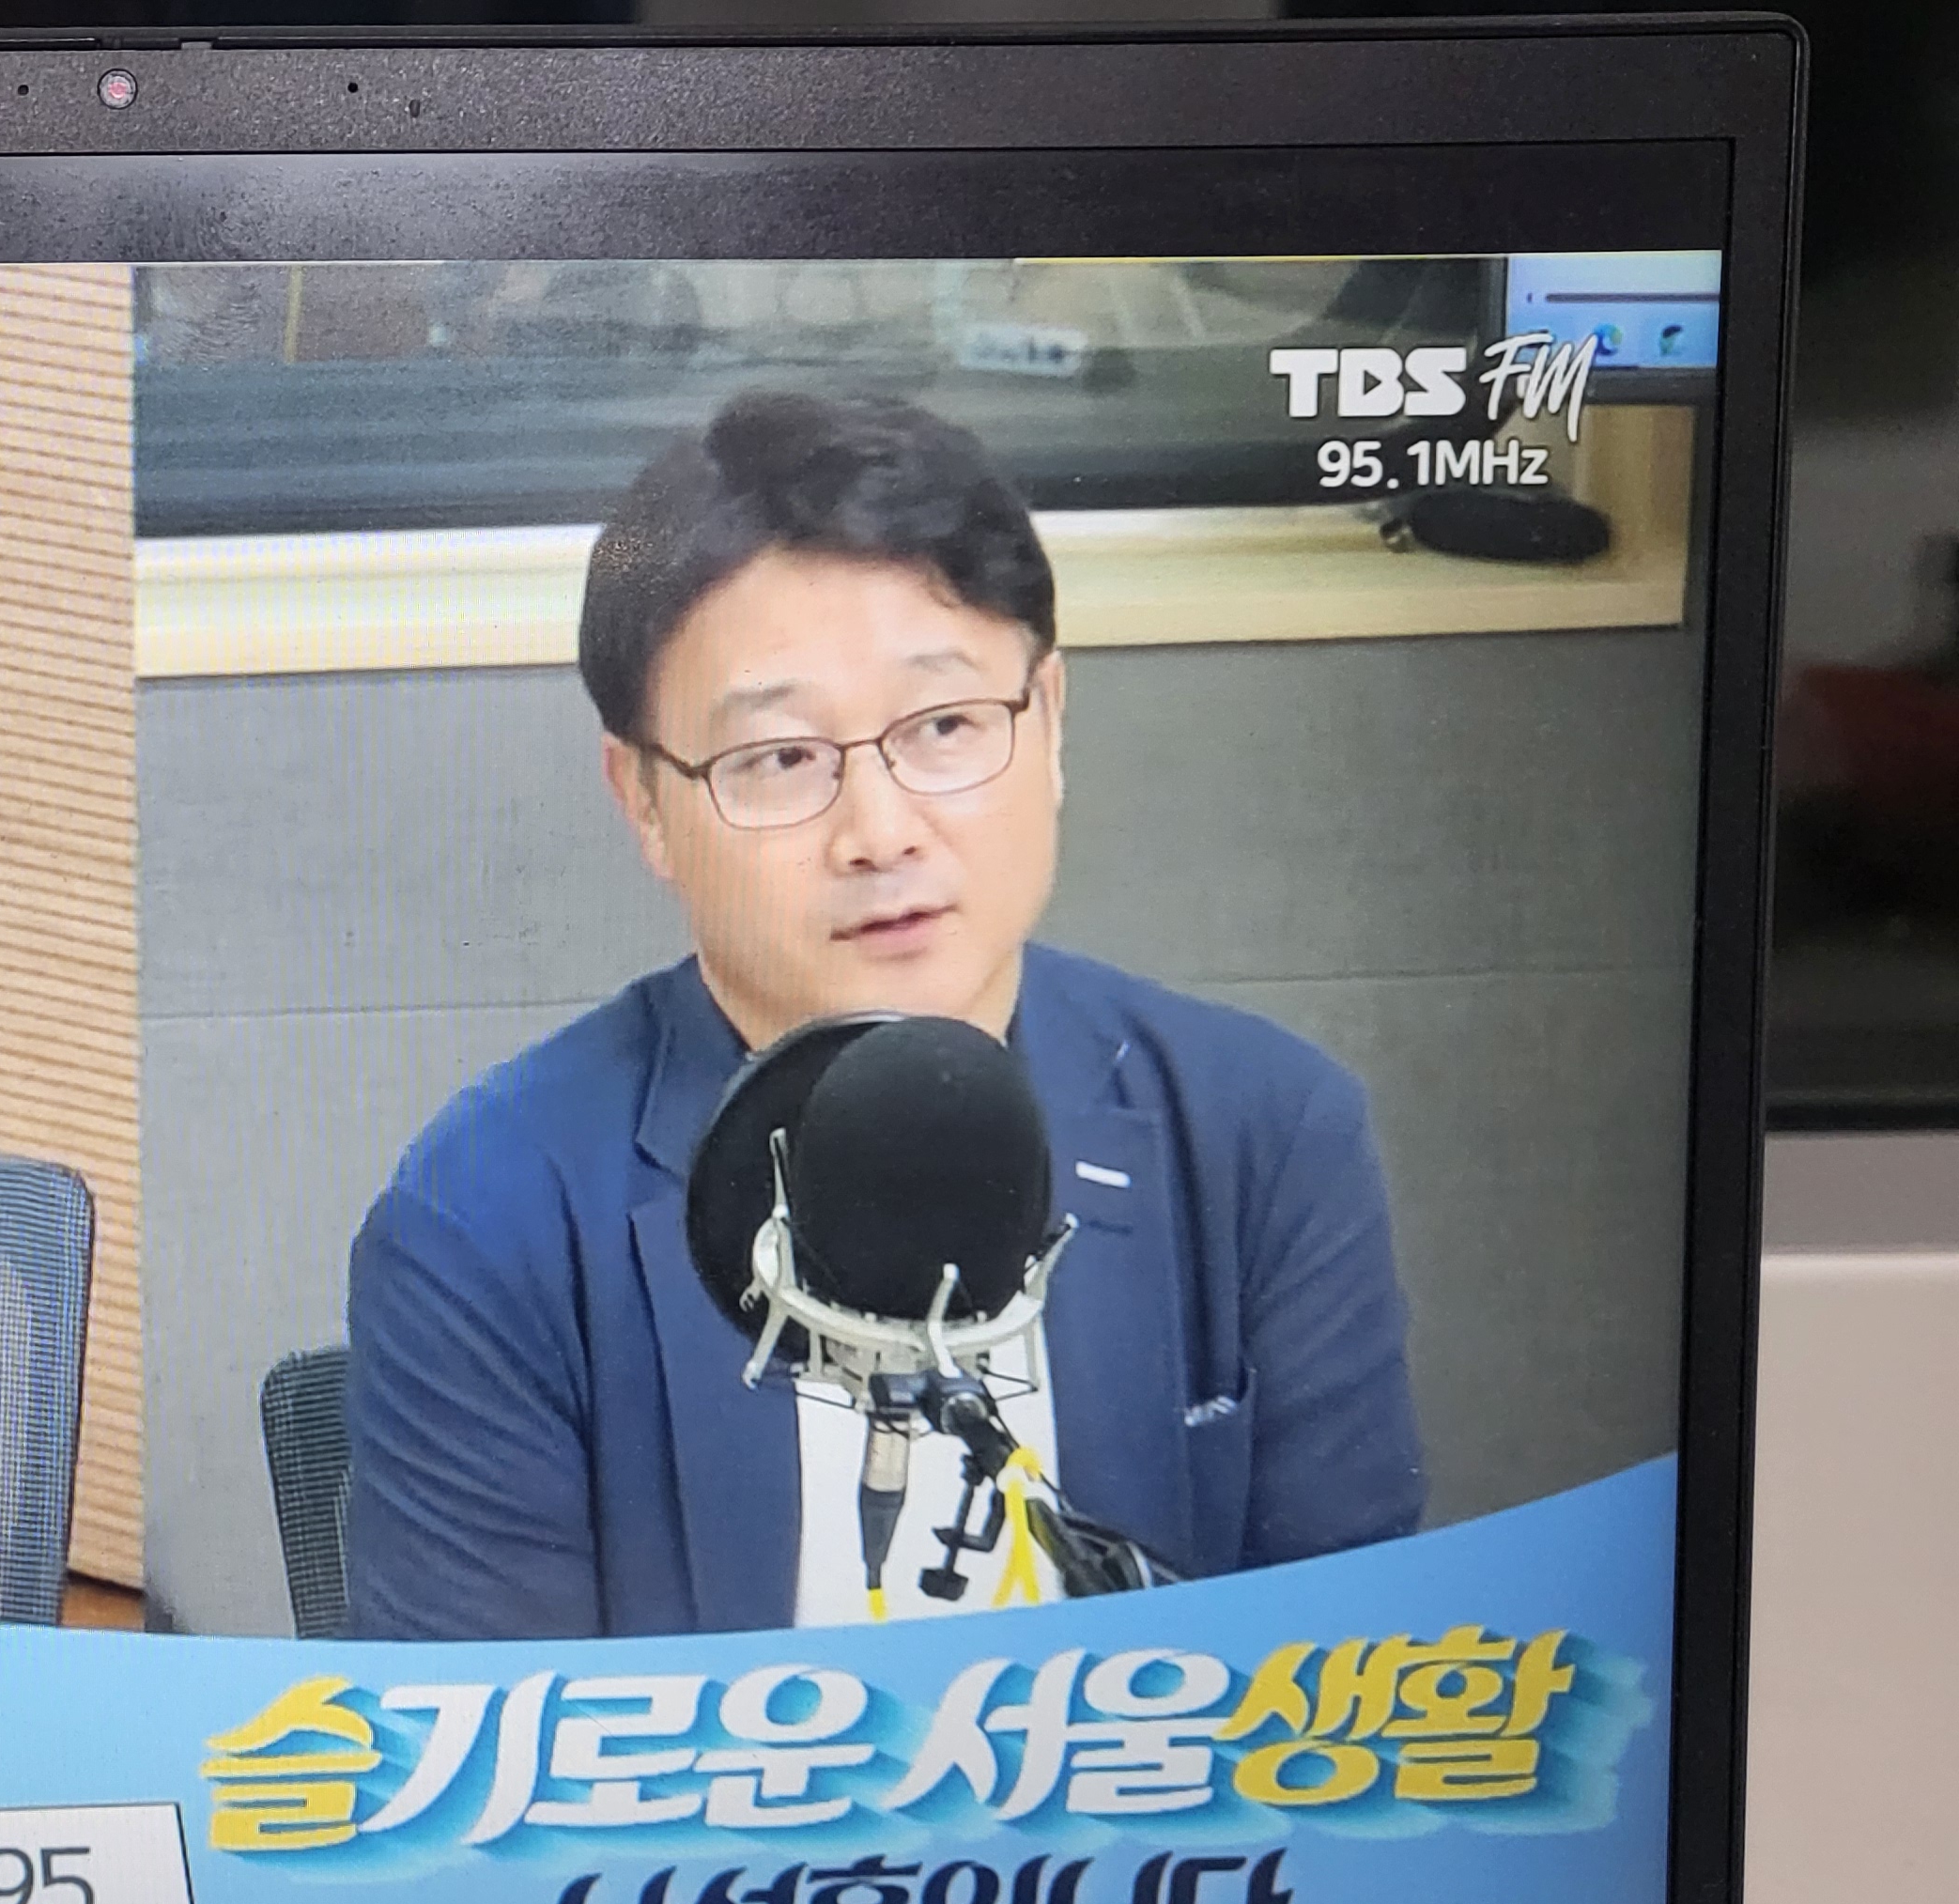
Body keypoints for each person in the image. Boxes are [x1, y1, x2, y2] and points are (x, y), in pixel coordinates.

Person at [341, 392, 1424, 1640]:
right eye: (781, 757)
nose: (881, 832)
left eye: (946, 726)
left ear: (1050, 721)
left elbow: (1354, 1689)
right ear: (643, 800)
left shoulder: (1262, 1135)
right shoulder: (485, 1219)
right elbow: (494, 1754)